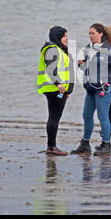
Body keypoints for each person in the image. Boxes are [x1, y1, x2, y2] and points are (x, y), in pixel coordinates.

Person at [71, 23, 111, 156]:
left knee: (103, 117)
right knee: (86, 116)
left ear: (101, 34)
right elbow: (85, 68)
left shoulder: (110, 50)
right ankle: (85, 144)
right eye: (89, 33)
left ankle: (106, 144)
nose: (90, 36)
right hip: (90, 88)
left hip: (103, 89)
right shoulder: (89, 48)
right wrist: (81, 64)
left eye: (93, 33)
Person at [37, 26, 74, 155]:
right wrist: (59, 85)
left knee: (55, 117)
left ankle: (51, 146)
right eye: (64, 36)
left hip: (59, 89)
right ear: (58, 37)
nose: (67, 39)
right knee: (54, 117)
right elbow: (51, 69)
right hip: (54, 88)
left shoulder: (59, 49)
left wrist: (67, 91)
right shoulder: (52, 49)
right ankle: (51, 147)